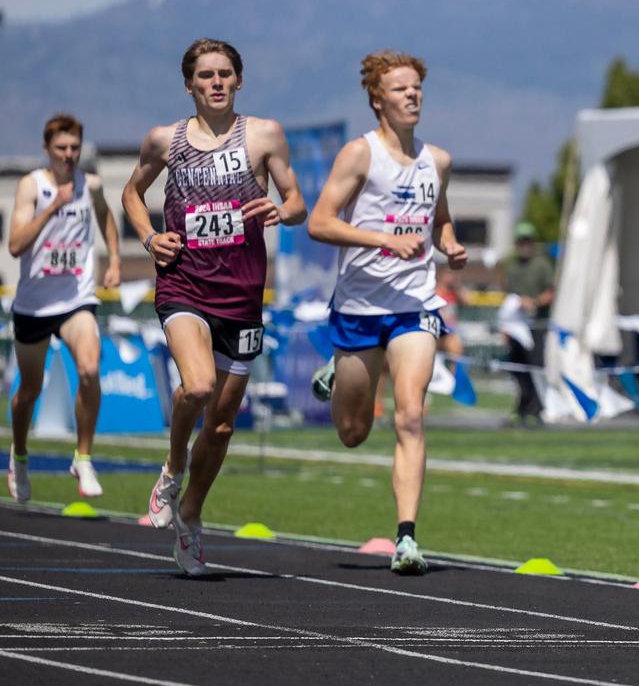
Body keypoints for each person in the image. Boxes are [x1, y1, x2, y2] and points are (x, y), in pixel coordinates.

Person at [122, 38, 307, 576]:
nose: (217, 82)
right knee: (198, 386)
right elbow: (132, 194)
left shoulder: (265, 134)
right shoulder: (166, 140)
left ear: (239, 80)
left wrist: (280, 208)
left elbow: (296, 203)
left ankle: (191, 517)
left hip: (242, 293)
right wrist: (148, 238)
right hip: (184, 284)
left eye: (226, 73)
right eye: (206, 75)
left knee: (223, 425)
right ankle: (172, 465)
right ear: (190, 85)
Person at [308, 49, 466, 576]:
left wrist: (451, 245)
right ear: (378, 98)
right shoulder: (359, 155)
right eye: (401, 89)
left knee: (412, 415)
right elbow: (320, 222)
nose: (412, 95)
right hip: (359, 305)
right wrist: (380, 239)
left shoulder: (436, 161)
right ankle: (340, 366)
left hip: (415, 305)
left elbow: (439, 221)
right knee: (353, 432)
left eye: (417, 87)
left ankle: (406, 539)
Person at [6, 114, 120, 502]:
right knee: (29, 391)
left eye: (74, 148)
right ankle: (19, 456)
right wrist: (52, 208)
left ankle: (83, 458)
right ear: (47, 150)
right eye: (61, 149)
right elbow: (16, 245)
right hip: (34, 306)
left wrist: (115, 260)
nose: (68, 156)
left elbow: (106, 217)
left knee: (90, 367)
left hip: (77, 298)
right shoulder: (31, 187)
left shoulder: (91, 185)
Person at [497, 222, 554, 426]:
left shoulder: (541, 265)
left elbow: (551, 292)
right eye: (522, 241)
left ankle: (536, 411)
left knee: (536, 368)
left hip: (535, 326)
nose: (525, 245)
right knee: (517, 370)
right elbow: (508, 298)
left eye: (528, 240)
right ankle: (522, 408)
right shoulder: (511, 267)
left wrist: (535, 302)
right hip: (515, 327)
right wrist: (505, 327)